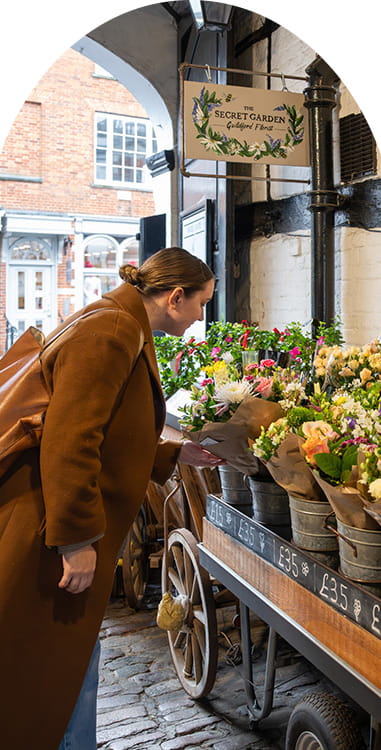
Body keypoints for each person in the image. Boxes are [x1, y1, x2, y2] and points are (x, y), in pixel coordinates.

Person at [0, 247, 223, 750]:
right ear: (175, 297)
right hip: (49, 528)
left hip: (50, 522)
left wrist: (174, 451)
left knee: (68, 656)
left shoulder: (119, 321)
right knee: (52, 659)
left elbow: (113, 432)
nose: (202, 315)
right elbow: (71, 439)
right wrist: (76, 540)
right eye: (202, 303)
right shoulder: (113, 332)